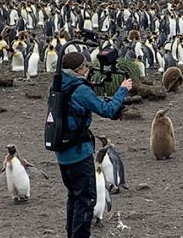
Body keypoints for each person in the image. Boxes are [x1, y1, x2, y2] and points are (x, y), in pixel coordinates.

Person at [55, 51, 132, 238]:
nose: (88, 69)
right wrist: (123, 89)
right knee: (86, 200)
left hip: (63, 154)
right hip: (78, 154)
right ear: (78, 70)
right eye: (85, 66)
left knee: (74, 197)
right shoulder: (79, 89)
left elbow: (81, 105)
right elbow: (108, 110)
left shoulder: (58, 83)